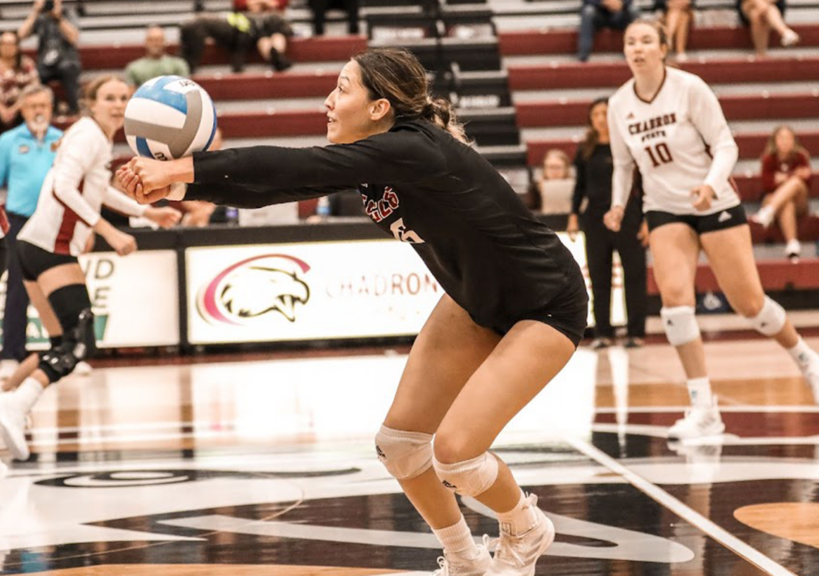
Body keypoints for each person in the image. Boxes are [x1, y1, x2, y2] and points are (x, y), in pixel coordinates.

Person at [118, 47, 592, 576]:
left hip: (546, 302)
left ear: (380, 108)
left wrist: (183, 166)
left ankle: (526, 529)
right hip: (476, 300)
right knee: (401, 447)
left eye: (342, 88)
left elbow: (293, 165)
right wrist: (179, 184)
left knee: (456, 452)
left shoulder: (417, 149)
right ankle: (465, 559)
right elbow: (287, 182)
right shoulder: (375, 159)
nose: (328, 100)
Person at [603, 19, 819, 441]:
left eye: (645, 41)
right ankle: (704, 408)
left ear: (663, 48)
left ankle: (805, 357)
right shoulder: (619, 104)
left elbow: (726, 144)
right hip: (665, 209)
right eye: (629, 42)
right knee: (675, 302)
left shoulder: (690, 88)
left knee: (750, 305)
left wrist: (710, 185)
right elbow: (623, 165)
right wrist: (619, 205)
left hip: (714, 204)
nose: (636, 49)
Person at [0, 75, 181, 462]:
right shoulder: (89, 134)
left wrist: (146, 213)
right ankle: (17, 406)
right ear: (90, 102)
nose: (119, 104)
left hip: (32, 244)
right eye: (109, 97)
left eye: (124, 97)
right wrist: (108, 230)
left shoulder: (92, 136)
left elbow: (96, 189)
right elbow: (61, 186)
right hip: (51, 246)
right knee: (80, 341)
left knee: (60, 344)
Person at [0, 83, 63, 382]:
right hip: (19, 221)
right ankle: (9, 354)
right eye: (32, 106)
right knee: (17, 288)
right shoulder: (8, 140)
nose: (38, 111)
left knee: (61, 286)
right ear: (22, 110)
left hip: (56, 221)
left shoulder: (63, 140)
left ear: (51, 109)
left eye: (43, 106)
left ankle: (65, 349)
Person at [568, 97, 648, 349]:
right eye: (597, 114)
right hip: (594, 218)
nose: (601, 118)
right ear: (591, 120)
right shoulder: (585, 150)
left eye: (606, 113)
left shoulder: (629, 146)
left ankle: (635, 332)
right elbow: (579, 186)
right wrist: (573, 215)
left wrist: (646, 220)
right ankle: (602, 332)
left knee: (634, 274)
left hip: (629, 215)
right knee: (598, 275)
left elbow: (644, 185)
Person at [751, 125, 811, 260]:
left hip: (799, 201)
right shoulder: (768, 158)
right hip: (777, 199)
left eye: (788, 138)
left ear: (794, 140)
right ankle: (792, 243)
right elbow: (767, 185)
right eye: (781, 138)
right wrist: (794, 174)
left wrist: (785, 178)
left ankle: (769, 211)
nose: (785, 141)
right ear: (775, 140)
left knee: (795, 183)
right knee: (787, 203)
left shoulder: (801, 156)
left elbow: (807, 183)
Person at [18, 0, 82, 114]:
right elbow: (21, 35)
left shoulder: (68, 14)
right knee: (34, 75)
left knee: (68, 69)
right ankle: (46, 108)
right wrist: (35, 12)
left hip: (67, 60)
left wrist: (58, 18)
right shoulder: (40, 17)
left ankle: (74, 110)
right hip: (44, 63)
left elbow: (73, 38)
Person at [0, 30, 38, 135]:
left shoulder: (27, 65)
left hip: (20, 105)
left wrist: (14, 109)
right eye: (4, 44)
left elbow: (35, 89)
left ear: (17, 46)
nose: (7, 47)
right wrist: (1, 109)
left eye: (11, 44)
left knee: (30, 109)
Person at [124, 25, 190, 88]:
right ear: (145, 42)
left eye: (158, 40)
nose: (155, 43)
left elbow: (185, 89)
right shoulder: (133, 68)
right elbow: (131, 94)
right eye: (151, 40)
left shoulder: (179, 65)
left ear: (164, 42)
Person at [528, 148, 574, 214]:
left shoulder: (575, 187)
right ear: (544, 169)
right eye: (551, 167)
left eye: (558, 167)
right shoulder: (535, 188)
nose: (554, 171)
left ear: (566, 168)